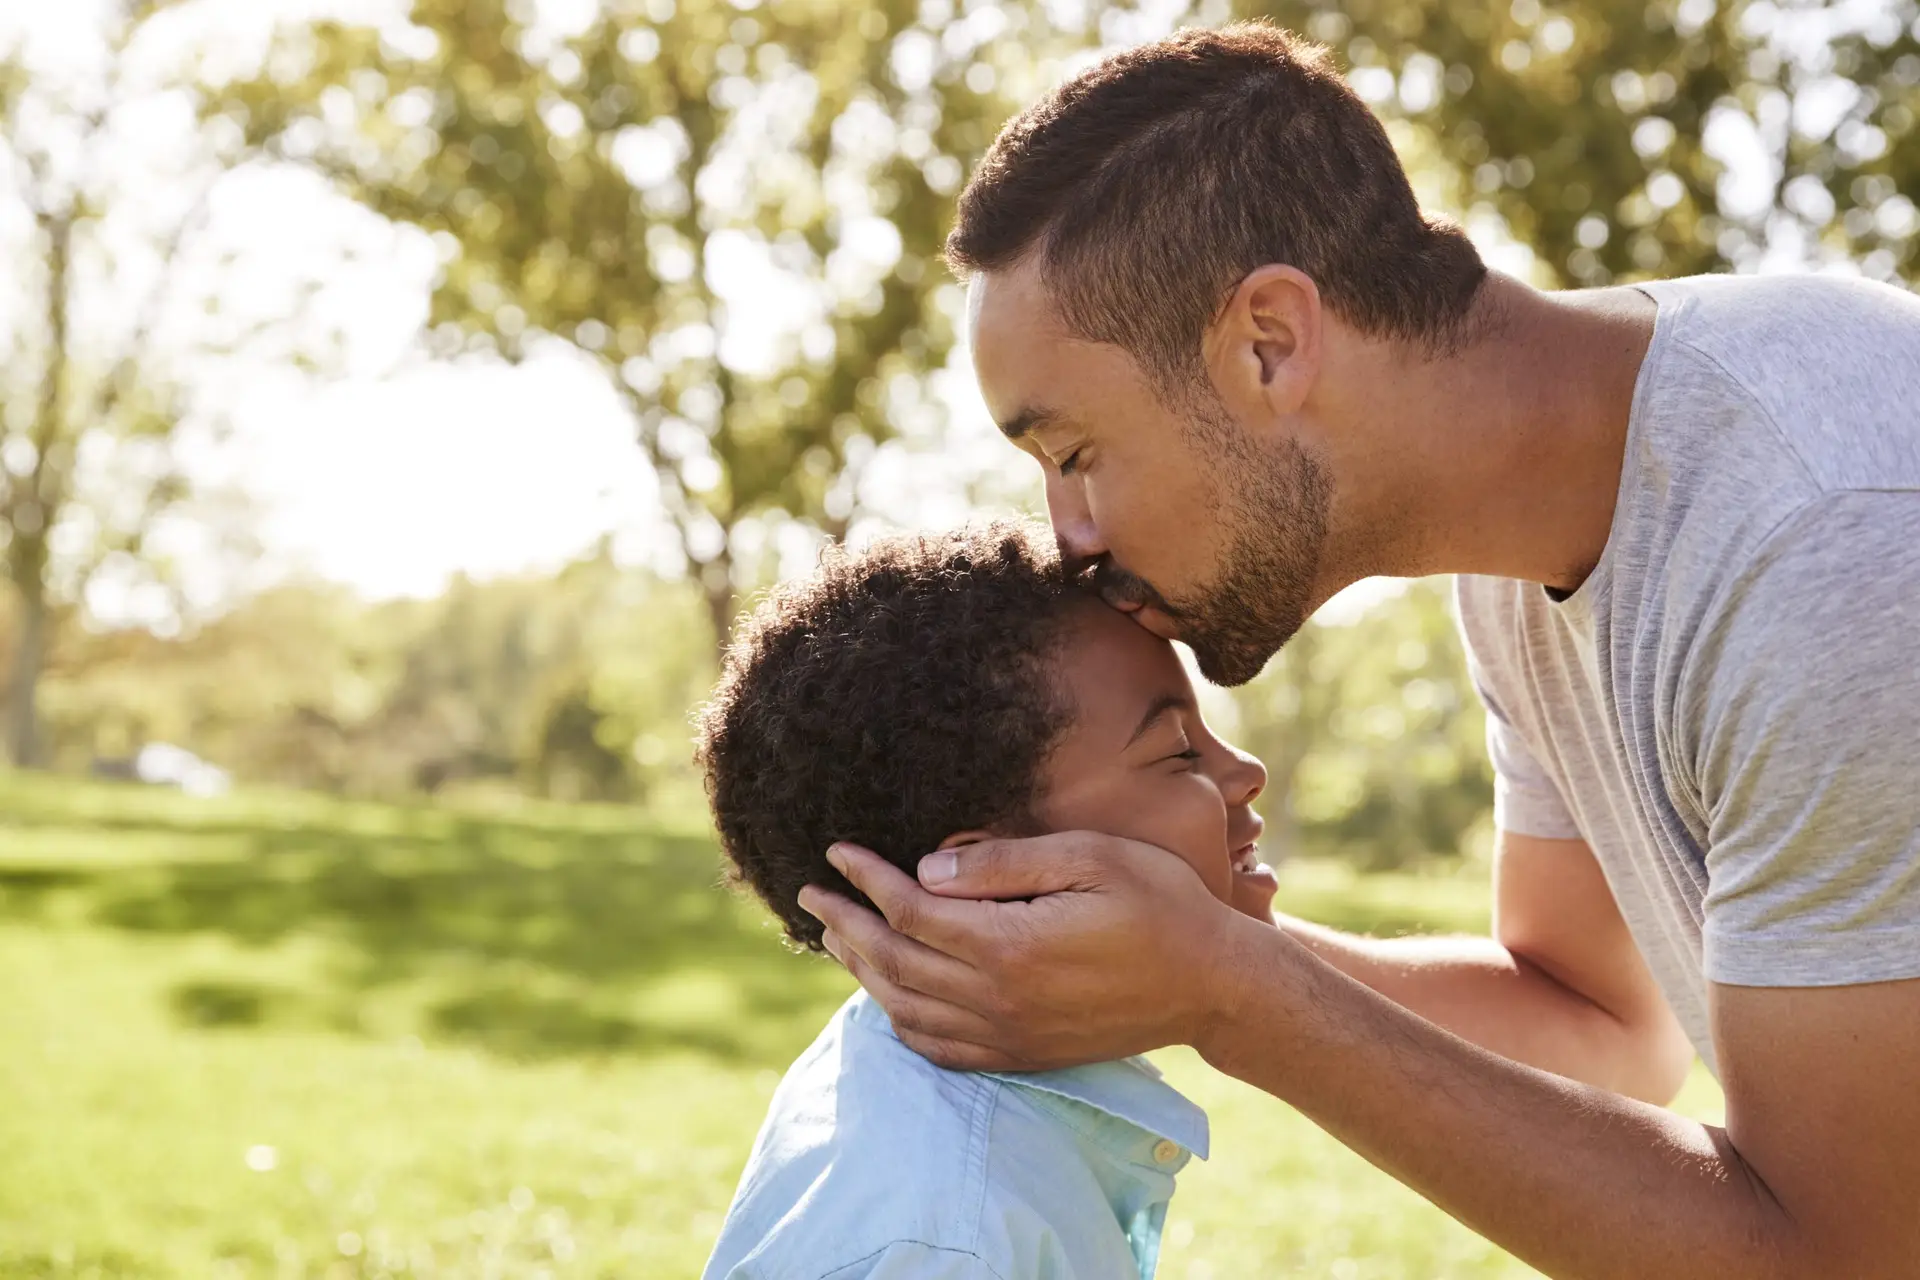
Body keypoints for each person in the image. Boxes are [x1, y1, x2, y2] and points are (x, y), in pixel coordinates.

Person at [798, 20, 1920, 1279]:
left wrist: (1232, 990)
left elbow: (1852, 1256)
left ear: (1269, 341)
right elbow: (1600, 1026)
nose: (1066, 536)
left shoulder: (1834, 542)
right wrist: (1171, 939)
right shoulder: (1525, 540)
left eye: (1072, 452)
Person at [696, 521, 1278, 1280]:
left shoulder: (900, 1076)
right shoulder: (951, 1242)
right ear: (982, 880)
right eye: (1177, 751)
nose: (1248, 771)